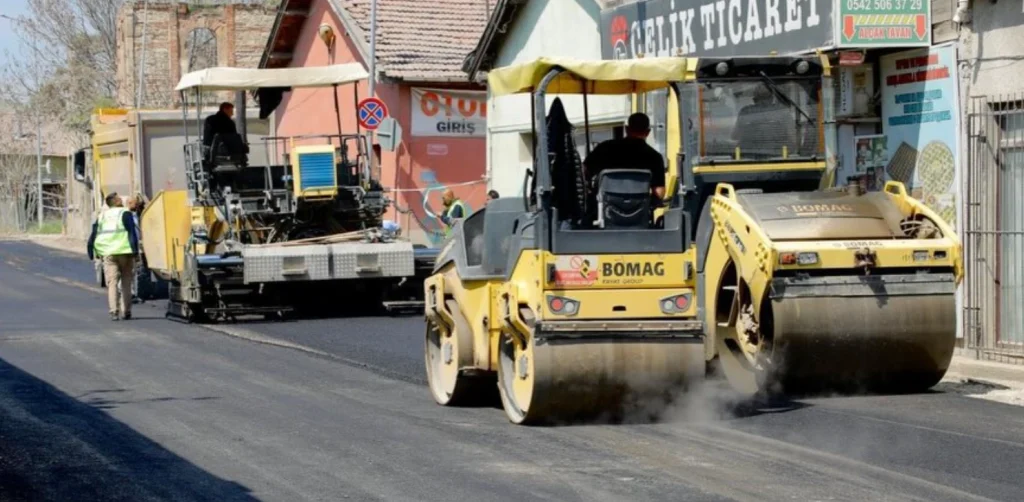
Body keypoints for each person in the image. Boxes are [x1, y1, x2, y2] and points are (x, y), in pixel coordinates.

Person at [583, 112, 666, 200]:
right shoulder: (655, 157)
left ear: (627, 129)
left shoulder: (604, 148)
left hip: (605, 209)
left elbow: (584, 172)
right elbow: (659, 193)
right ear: (648, 132)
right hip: (640, 210)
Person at [87, 193, 140, 321]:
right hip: (125, 252)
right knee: (126, 282)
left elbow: (93, 234)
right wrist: (135, 252)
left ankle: (114, 311)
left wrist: (91, 251)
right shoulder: (125, 213)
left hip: (109, 254)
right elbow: (132, 233)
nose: (121, 199)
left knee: (112, 283)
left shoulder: (102, 216)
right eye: (119, 198)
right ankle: (126, 311)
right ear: (116, 202)